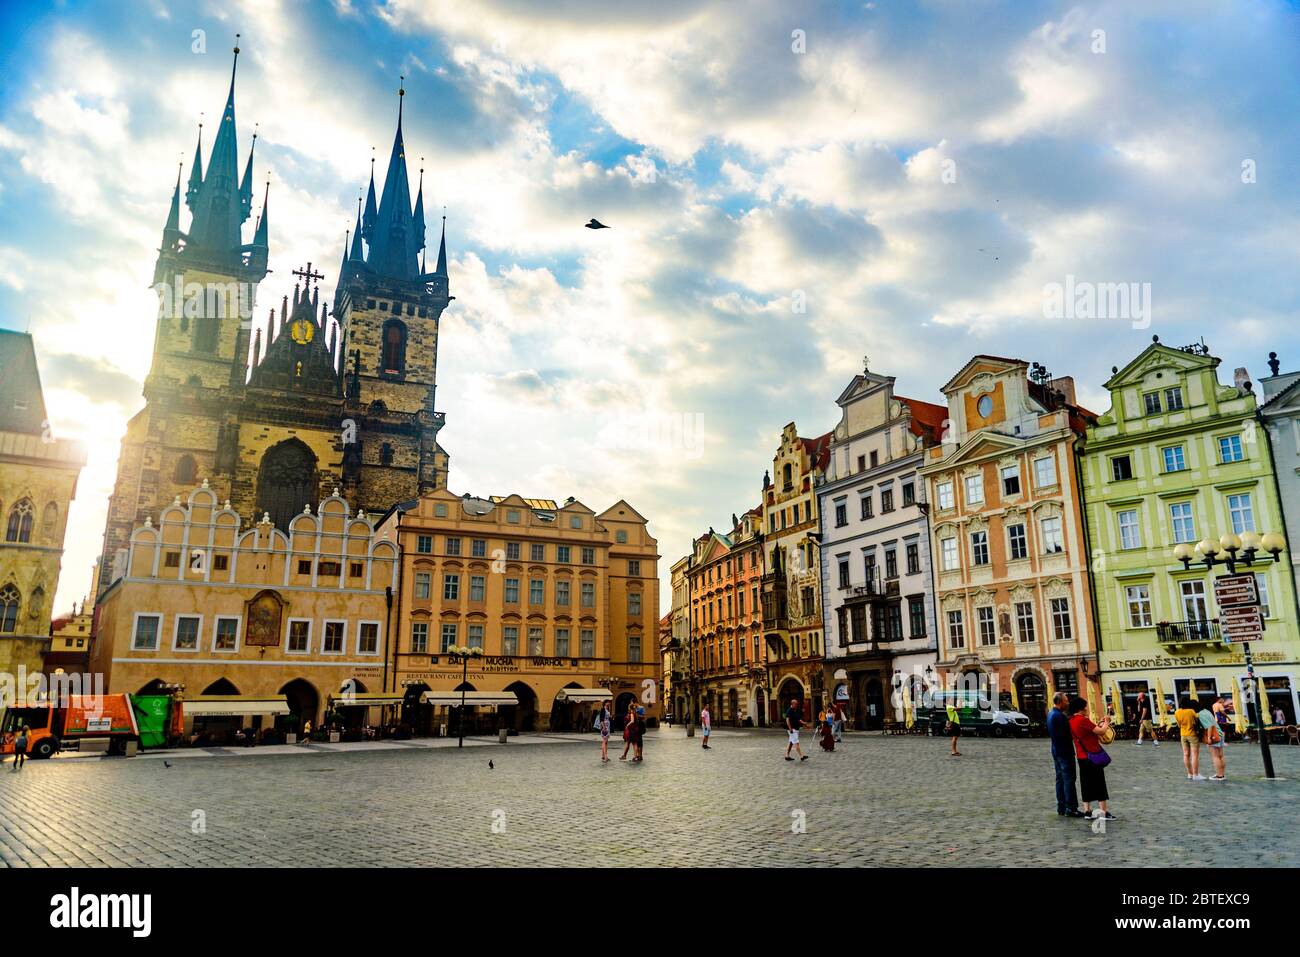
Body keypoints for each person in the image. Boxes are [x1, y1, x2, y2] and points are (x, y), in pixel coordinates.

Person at [1068, 697, 1115, 821]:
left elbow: (1090, 730)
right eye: (1085, 706)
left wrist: (1099, 722)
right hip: (1092, 755)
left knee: (1085, 783)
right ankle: (1103, 812)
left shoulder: (1071, 720)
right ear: (1081, 708)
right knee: (1099, 783)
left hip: (1081, 756)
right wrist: (1106, 722)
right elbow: (1101, 731)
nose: (1086, 708)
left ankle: (1087, 811)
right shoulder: (1083, 720)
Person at [1047, 692, 1085, 818]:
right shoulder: (1059, 716)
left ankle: (1061, 806)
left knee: (1060, 779)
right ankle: (1071, 807)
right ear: (1060, 702)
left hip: (1056, 750)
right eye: (1066, 701)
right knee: (1069, 779)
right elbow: (1068, 734)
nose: (1068, 703)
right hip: (1065, 751)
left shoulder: (1051, 714)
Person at [1175, 695, 1204, 780]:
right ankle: (1196, 774)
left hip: (1183, 735)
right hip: (1192, 735)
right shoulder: (1191, 711)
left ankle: (1189, 774)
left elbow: (1178, 725)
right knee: (1194, 755)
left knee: (1186, 755)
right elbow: (1196, 721)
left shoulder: (1177, 712)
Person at [1198, 696, 1226, 780]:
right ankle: (1222, 774)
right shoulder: (1207, 711)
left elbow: (1209, 726)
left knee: (1215, 756)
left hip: (1214, 736)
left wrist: (1209, 738)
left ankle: (1219, 775)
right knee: (1221, 755)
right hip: (1220, 733)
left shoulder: (1202, 713)